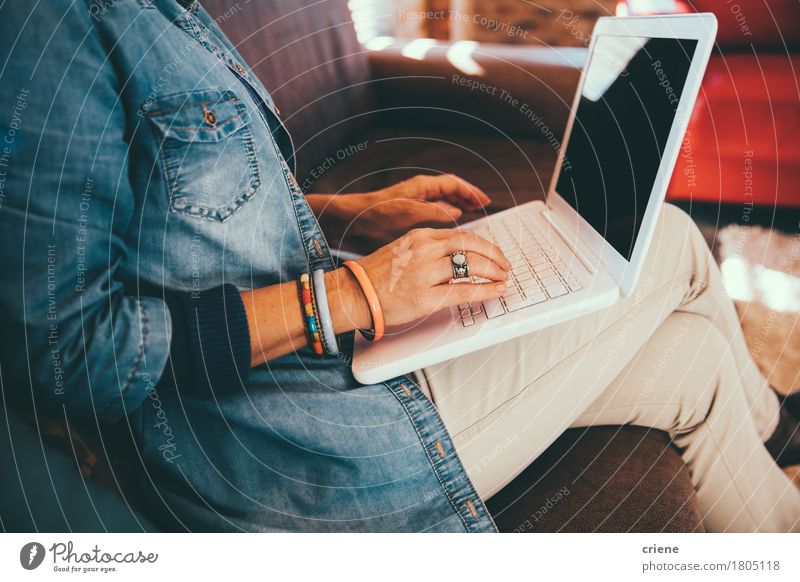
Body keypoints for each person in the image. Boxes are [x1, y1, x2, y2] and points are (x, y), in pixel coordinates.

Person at [1, 0, 798, 533]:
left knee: (690, 357)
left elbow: (171, 223)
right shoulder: (44, 40)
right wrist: (355, 291)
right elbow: (74, 353)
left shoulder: (158, 12)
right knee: (666, 242)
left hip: (329, 368)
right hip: (287, 450)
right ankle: (782, 427)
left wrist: (347, 213)